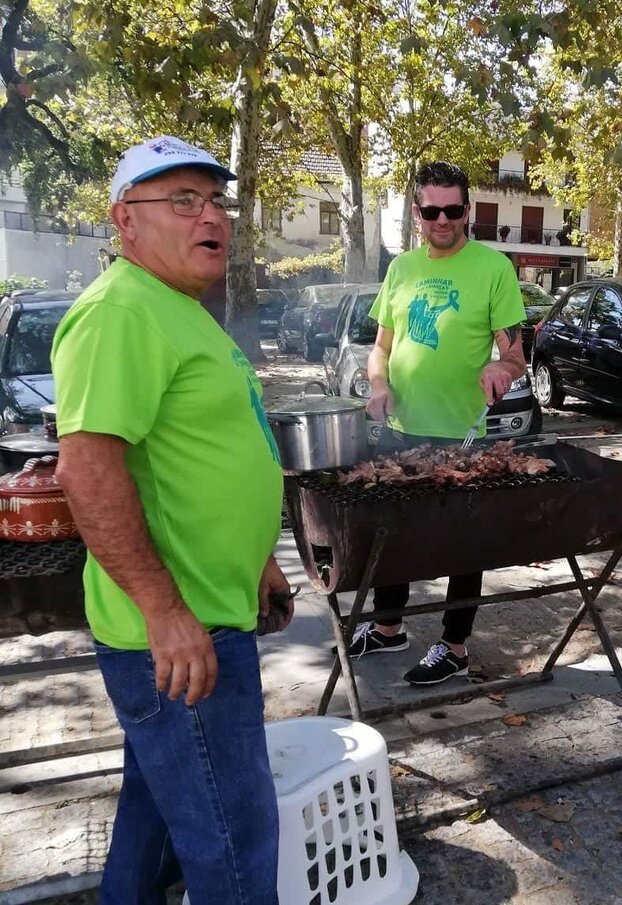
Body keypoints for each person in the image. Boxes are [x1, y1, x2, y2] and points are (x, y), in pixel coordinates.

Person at [52, 136, 290, 904]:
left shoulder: (179, 309)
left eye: (216, 200)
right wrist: (163, 609)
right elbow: (87, 471)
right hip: (185, 639)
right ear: (125, 219)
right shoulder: (120, 312)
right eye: (182, 200)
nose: (209, 215)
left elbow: (207, 451)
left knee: (152, 827)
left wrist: (259, 557)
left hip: (211, 614)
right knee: (235, 847)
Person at [349, 161, 526, 685]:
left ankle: (454, 646)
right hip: (403, 429)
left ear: (467, 211)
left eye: (453, 210)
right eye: (432, 211)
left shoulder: (493, 268)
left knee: (461, 546)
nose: (442, 220)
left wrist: (501, 365)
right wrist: (378, 386)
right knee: (393, 534)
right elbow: (380, 347)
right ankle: (387, 629)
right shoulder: (401, 269)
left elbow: (515, 353)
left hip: (462, 436)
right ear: (417, 212)